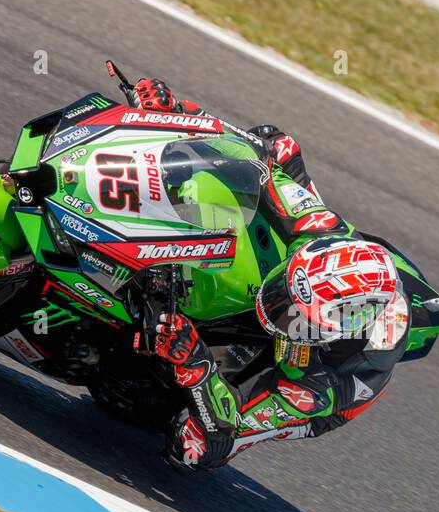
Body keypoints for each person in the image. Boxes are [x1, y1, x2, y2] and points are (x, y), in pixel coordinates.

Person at [124, 78, 412, 471]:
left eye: (293, 318)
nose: (277, 310)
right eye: (286, 296)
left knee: (193, 449)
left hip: (310, 386)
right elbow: (260, 156)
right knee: (276, 143)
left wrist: (194, 362)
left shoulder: (320, 384)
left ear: (330, 332)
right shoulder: (316, 227)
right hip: (332, 269)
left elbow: (224, 428)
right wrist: (177, 109)